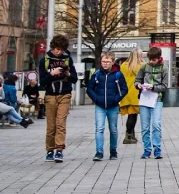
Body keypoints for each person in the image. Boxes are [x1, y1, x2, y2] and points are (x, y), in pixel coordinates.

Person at [39, 34, 77, 162]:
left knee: (61, 124)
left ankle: (59, 150)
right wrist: (51, 74)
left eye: (61, 49)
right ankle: (50, 150)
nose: (59, 52)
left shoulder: (68, 59)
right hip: (50, 95)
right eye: (57, 49)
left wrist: (67, 74)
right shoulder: (44, 60)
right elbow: (42, 82)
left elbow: (75, 79)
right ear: (53, 47)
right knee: (51, 126)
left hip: (64, 94)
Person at [86, 52, 128, 161]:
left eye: (108, 62)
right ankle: (99, 152)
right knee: (99, 128)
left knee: (113, 129)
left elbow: (124, 89)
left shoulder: (118, 74)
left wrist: (116, 99)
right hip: (100, 106)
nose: (105, 64)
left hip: (112, 106)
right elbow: (89, 88)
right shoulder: (96, 74)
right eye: (103, 61)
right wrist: (96, 99)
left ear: (112, 62)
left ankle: (113, 151)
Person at [136, 48, 168, 159]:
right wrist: (138, 85)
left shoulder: (164, 68)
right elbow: (137, 80)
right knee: (145, 127)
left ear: (159, 58)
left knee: (156, 125)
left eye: (153, 60)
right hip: (144, 99)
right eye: (149, 59)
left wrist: (153, 87)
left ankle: (157, 149)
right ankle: (147, 150)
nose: (151, 62)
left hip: (157, 100)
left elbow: (164, 86)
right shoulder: (144, 67)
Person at [120, 50, 142, 144]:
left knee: (130, 115)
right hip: (135, 93)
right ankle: (128, 135)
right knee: (133, 115)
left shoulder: (123, 65)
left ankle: (131, 134)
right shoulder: (140, 66)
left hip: (125, 93)